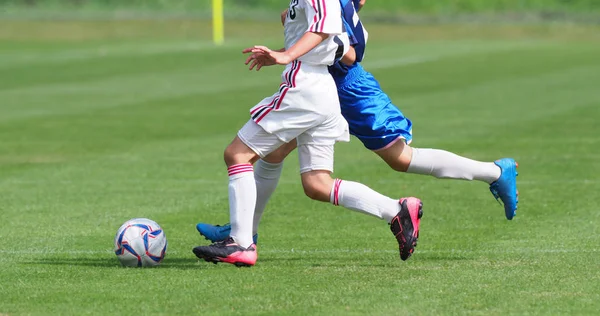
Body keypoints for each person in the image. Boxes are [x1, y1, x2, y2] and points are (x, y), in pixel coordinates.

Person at [196, 0, 519, 252]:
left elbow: (346, 54)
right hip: (320, 84)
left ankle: (494, 171)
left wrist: (292, 50)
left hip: (347, 88)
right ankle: (243, 230)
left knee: (400, 158)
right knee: (280, 160)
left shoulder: (333, 7)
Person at [192, 0, 424, 267]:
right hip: (322, 92)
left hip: (304, 88)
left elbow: (324, 30)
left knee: (237, 154)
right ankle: (396, 211)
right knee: (316, 184)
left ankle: (241, 242)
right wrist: (283, 47)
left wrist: (286, 55)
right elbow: (330, 41)